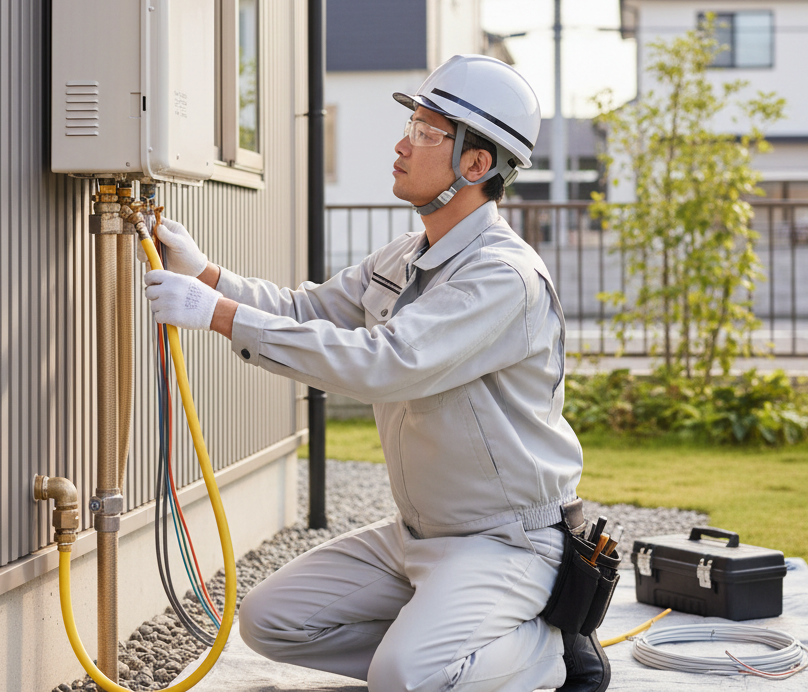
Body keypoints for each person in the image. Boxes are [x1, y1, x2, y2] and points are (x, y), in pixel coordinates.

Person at [142, 54, 609, 692]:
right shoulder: (406, 255)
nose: (401, 145)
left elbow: (387, 363)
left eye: (424, 133)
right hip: (417, 533)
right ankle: (434, 654)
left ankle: (554, 651)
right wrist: (209, 278)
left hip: (506, 543)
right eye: (411, 126)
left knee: (403, 677)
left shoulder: (503, 277)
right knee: (269, 621)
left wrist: (218, 316)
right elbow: (308, 309)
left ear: (476, 164)